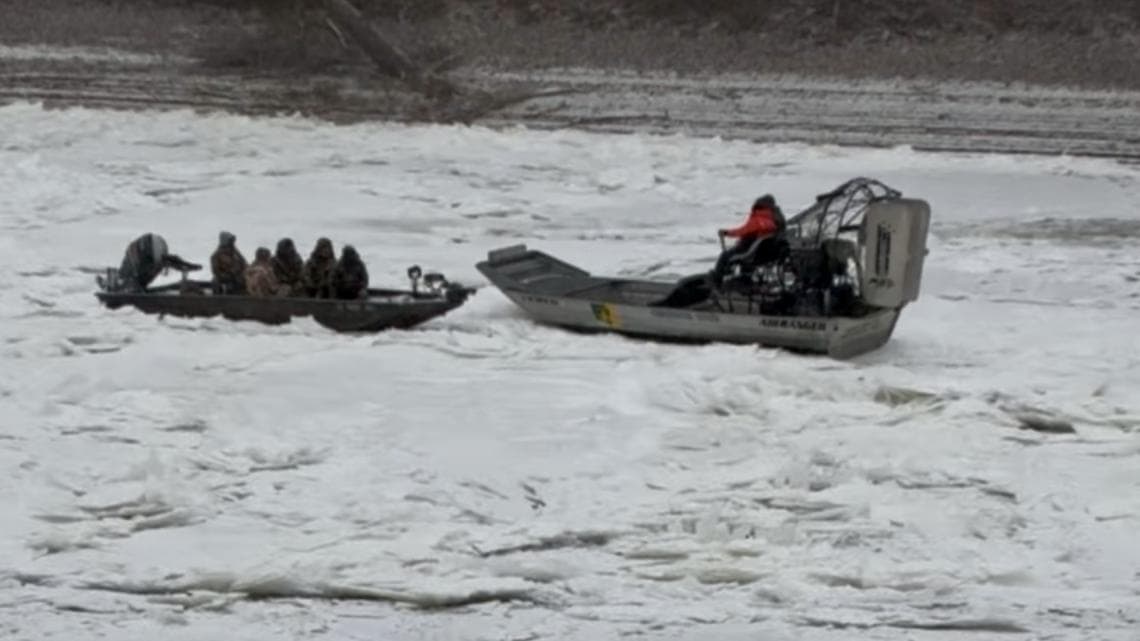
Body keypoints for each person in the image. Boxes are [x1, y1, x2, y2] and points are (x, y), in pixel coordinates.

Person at [711, 194, 786, 283]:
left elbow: (742, 231)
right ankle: (745, 276)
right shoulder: (774, 220)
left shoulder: (758, 219)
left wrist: (727, 233)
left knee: (725, 255)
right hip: (766, 253)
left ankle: (717, 278)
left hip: (751, 251)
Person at [116, 232, 198, 292]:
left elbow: (168, 260)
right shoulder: (132, 271)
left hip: (140, 266)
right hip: (133, 278)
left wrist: (185, 266)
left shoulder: (149, 258)